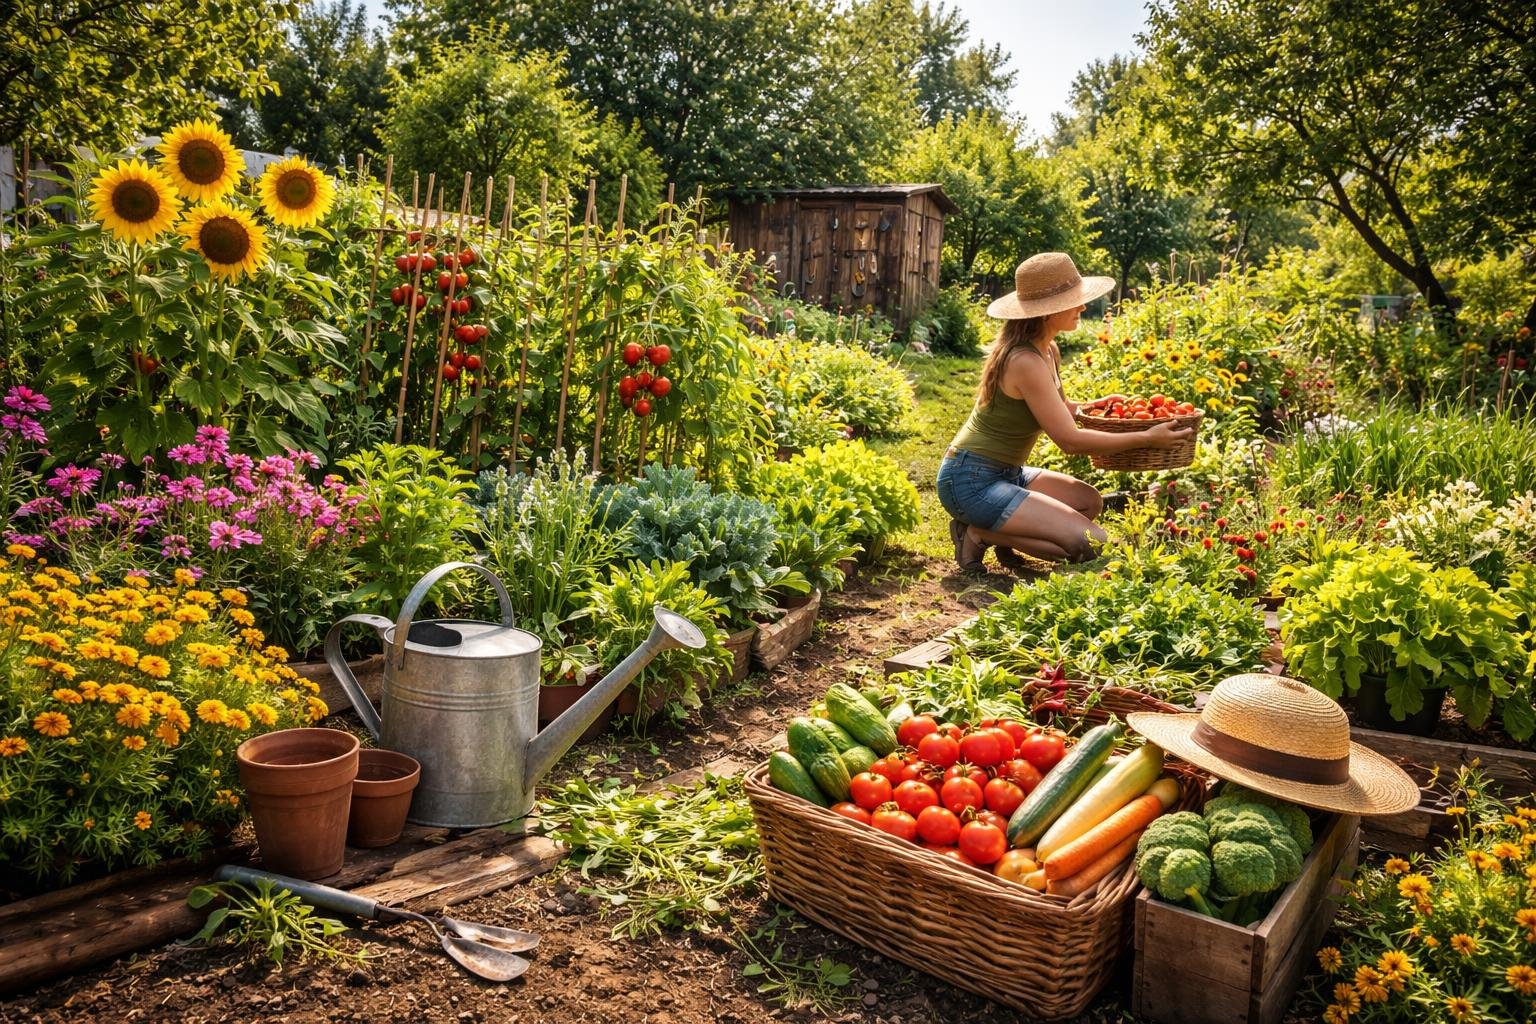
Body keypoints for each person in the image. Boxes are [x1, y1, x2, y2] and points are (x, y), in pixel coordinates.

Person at [936, 252, 1192, 574]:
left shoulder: (1048, 350)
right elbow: (1069, 440)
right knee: (1093, 542)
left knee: (1089, 502)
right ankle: (978, 532)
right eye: (1075, 300)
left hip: (1008, 473)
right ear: (1046, 312)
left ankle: (1001, 531)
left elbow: (1062, 410)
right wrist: (1145, 438)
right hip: (970, 480)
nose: (1083, 307)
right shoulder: (1023, 361)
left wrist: (1095, 406)